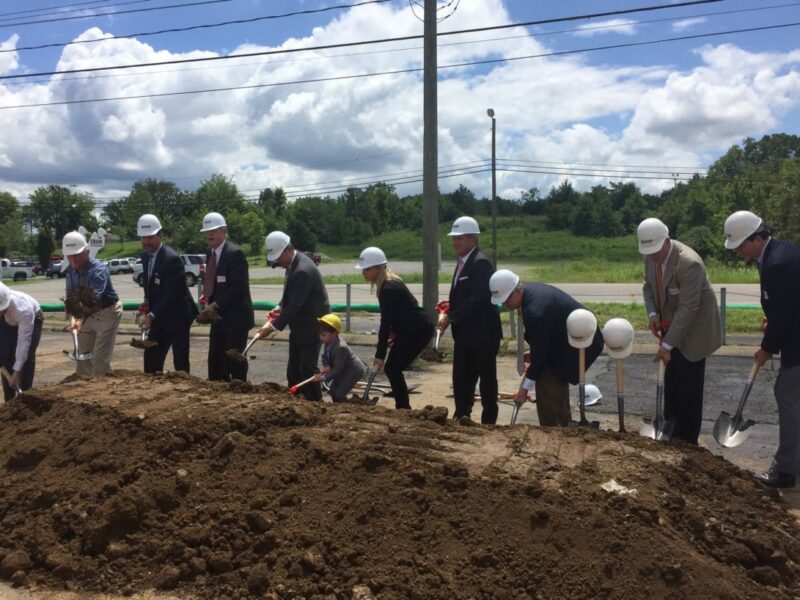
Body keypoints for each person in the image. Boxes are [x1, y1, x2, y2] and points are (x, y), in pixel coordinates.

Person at [724, 210, 800, 488]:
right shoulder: (777, 252)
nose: (738, 251)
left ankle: (786, 470)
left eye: (741, 245)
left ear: (757, 238)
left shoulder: (777, 263)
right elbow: (787, 300)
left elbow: (785, 312)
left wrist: (766, 349)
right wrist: (773, 314)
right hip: (793, 327)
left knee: (787, 393)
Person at [637, 218, 721, 445]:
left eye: (655, 250)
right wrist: (653, 314)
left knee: (689, 387)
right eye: (649, 251)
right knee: (672, 383)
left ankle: (688, 440)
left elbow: (688, 309)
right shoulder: (650, 257)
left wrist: (666, 346)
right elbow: (647, 287)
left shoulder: (689, 263)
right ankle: (671, 430)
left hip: (695, 330)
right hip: (670, 325)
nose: (652, 256)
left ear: (667, 240)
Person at [489, 269, 603, 427]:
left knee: (548, 378)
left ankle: (555, 429)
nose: (505, 305)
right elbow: (543, 342)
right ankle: (560, 424)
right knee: (545, 373)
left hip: (582, 338)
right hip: (563, 340)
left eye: (506, 300)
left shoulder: (535, 311)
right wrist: (536, 350)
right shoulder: (529, 293)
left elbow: (540, 358)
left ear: (516, 290)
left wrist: (524, 390)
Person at [438, 216, 502, 424]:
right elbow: (465, 296)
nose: (455, 242)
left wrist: (451, 316)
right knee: (461, 377)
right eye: (454, 238)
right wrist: (450, 306)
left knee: (486, 379)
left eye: (460, 238)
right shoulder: (463, 262)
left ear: (472, 240)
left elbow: (479, 297)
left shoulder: (480, 262)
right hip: (465, 333)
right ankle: (462, 413)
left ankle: (489, 419)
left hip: (483, 333)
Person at [357, 247, 433, 410]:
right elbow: (398, 314)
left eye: (367, 269)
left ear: (378, 268)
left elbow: (385, 323)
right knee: (393, 368)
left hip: (419, 330)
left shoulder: (388, 287)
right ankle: (403, 406)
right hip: (411, 329)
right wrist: (396, 330)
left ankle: (403, 408)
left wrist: (380, 355)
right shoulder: (387, 283)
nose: (363, 273)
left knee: (392, 367)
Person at [260, 231, 330, 401]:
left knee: (306, 368)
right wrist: (279, 307)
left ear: (288, 249)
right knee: (293, 370)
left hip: (313, 327)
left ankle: (315, 404)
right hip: (300, 325)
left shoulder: (303, 270)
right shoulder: (292, 265)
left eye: (278, 257)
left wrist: (273, 326)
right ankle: (296, 402)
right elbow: (289, 296)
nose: (276, 261)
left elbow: (295, 306)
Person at [137, 214, 199, 374]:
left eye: (150, 237)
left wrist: (151, 315)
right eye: (143, 238)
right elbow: (151, 287)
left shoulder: (172, 259)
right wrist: (147, 304)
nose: (146, 242)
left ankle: (185, 392)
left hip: (178, 316)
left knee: (180, 361)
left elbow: (172, 293)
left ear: (160, 235)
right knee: (151, 359)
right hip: (159, 315)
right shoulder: (145, 257)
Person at [200, 212, 254, 381]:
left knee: (234, 361)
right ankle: (218, 395)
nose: (210, 235)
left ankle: (240, 393)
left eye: (214, 231)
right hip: (218, 318)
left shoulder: (235, 254)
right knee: (215, 360)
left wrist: (215, 305)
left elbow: (239, 289)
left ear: (224, 231)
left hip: (236, 319)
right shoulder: (210, 252)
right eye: (207, 232)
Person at [63, 231, 123, 377]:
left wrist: (80, 320)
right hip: (86, 314)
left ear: (87, 251)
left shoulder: (99, 270)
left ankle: (101, 391)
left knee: (99, 357)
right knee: (84, 355)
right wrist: (73, 319)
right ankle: (84, 386)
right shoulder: (70, 270)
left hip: (106, 312)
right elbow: (72, 298)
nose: (73, 259)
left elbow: (92, 301)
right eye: (69, 256)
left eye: (76, 255)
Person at [0, 282, 43, 400]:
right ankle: (9, 401)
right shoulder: (3, 313)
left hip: (34, 318)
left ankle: (25, 396)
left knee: (27, 358)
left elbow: (24, 342)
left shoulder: (23, 310)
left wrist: (17, 371)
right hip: (8, 320)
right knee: (3, 357)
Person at [314, 313, 367, 403]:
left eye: (323, 335)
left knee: (339, 393)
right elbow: (325, 356)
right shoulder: (328, 341)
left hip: (352, 370)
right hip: (342, 369)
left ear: (334, 333)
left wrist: (323, 378)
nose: (321, 338)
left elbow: (338, 369)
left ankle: (347, 410)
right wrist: (326, 365)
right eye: (320, 335)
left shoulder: (340, 347)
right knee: (333, 391)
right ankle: (340, 407)